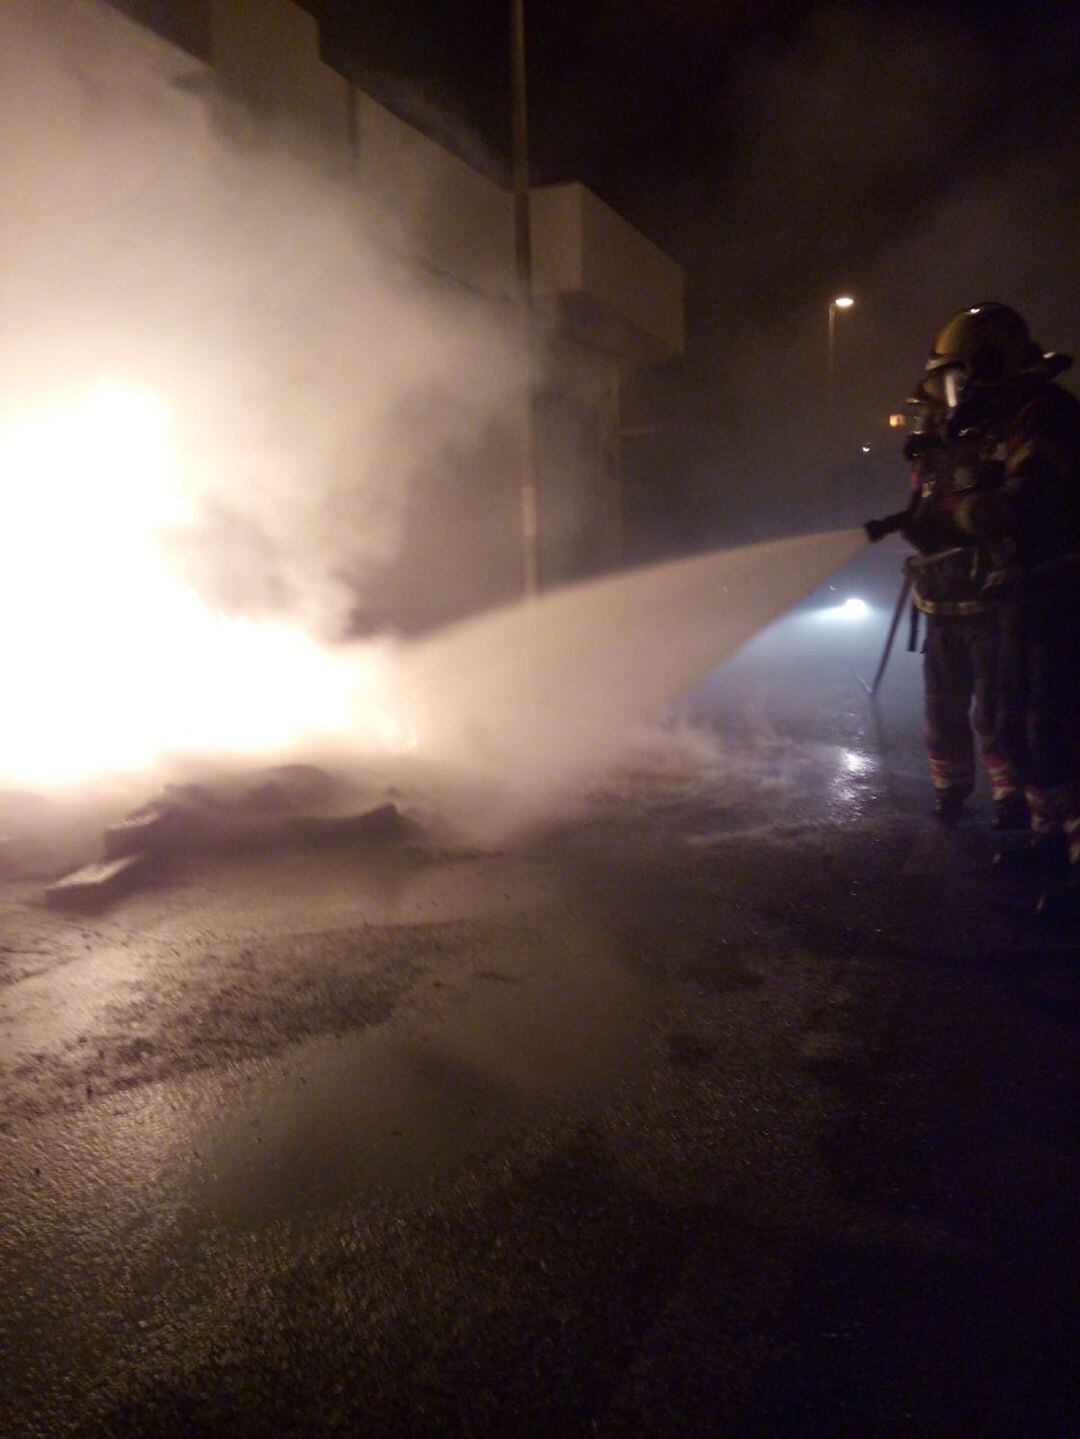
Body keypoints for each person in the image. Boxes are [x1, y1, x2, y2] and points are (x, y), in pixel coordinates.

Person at [922, 302, 1080, 920]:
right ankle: (1048, 839)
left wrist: (954, 515)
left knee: (1058, 725)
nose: (956, 397)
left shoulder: (1044, 416)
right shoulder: (1007, 421)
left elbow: (1020, 503)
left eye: (961, 378)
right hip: (1023, 597)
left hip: (1061, 596)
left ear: (991, 365)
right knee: (1014, 723)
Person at [865, 385, 1027, 828]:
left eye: (927, 414)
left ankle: (1009, 796)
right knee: (942, 712)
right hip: (939, 610)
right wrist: (902, 531)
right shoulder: (928, 463)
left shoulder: (984, 454)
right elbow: (922, 520)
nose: (921, 424)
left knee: (989, 714)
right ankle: (951, 788)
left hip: (985, 608)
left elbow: (988, 518)